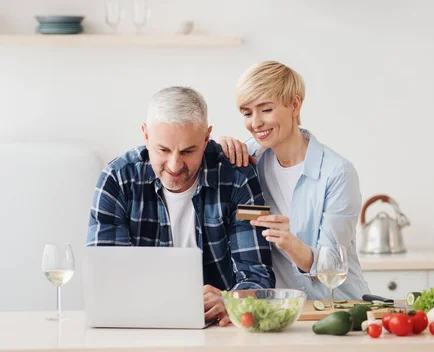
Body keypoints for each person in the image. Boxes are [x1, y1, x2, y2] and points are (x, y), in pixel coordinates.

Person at [86, 86, 275, 326]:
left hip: (220, 328)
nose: (175, 165)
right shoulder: (116, 179)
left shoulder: (240, 176)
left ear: (207, 138)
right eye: (163, 150)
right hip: (138, 325)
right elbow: (103, 280)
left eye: (188, 151)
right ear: (146, 135)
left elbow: (259, 275)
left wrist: (233, 300)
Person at [216, 61, 369, 300]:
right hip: (280, 310)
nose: (255, 123)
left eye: (266, 109)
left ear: (295, 105)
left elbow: (331, 264)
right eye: (247, 113)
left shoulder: (337, 173)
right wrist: (218, 146)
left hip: (337, 306)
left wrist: (290, 243)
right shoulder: (248, 160)